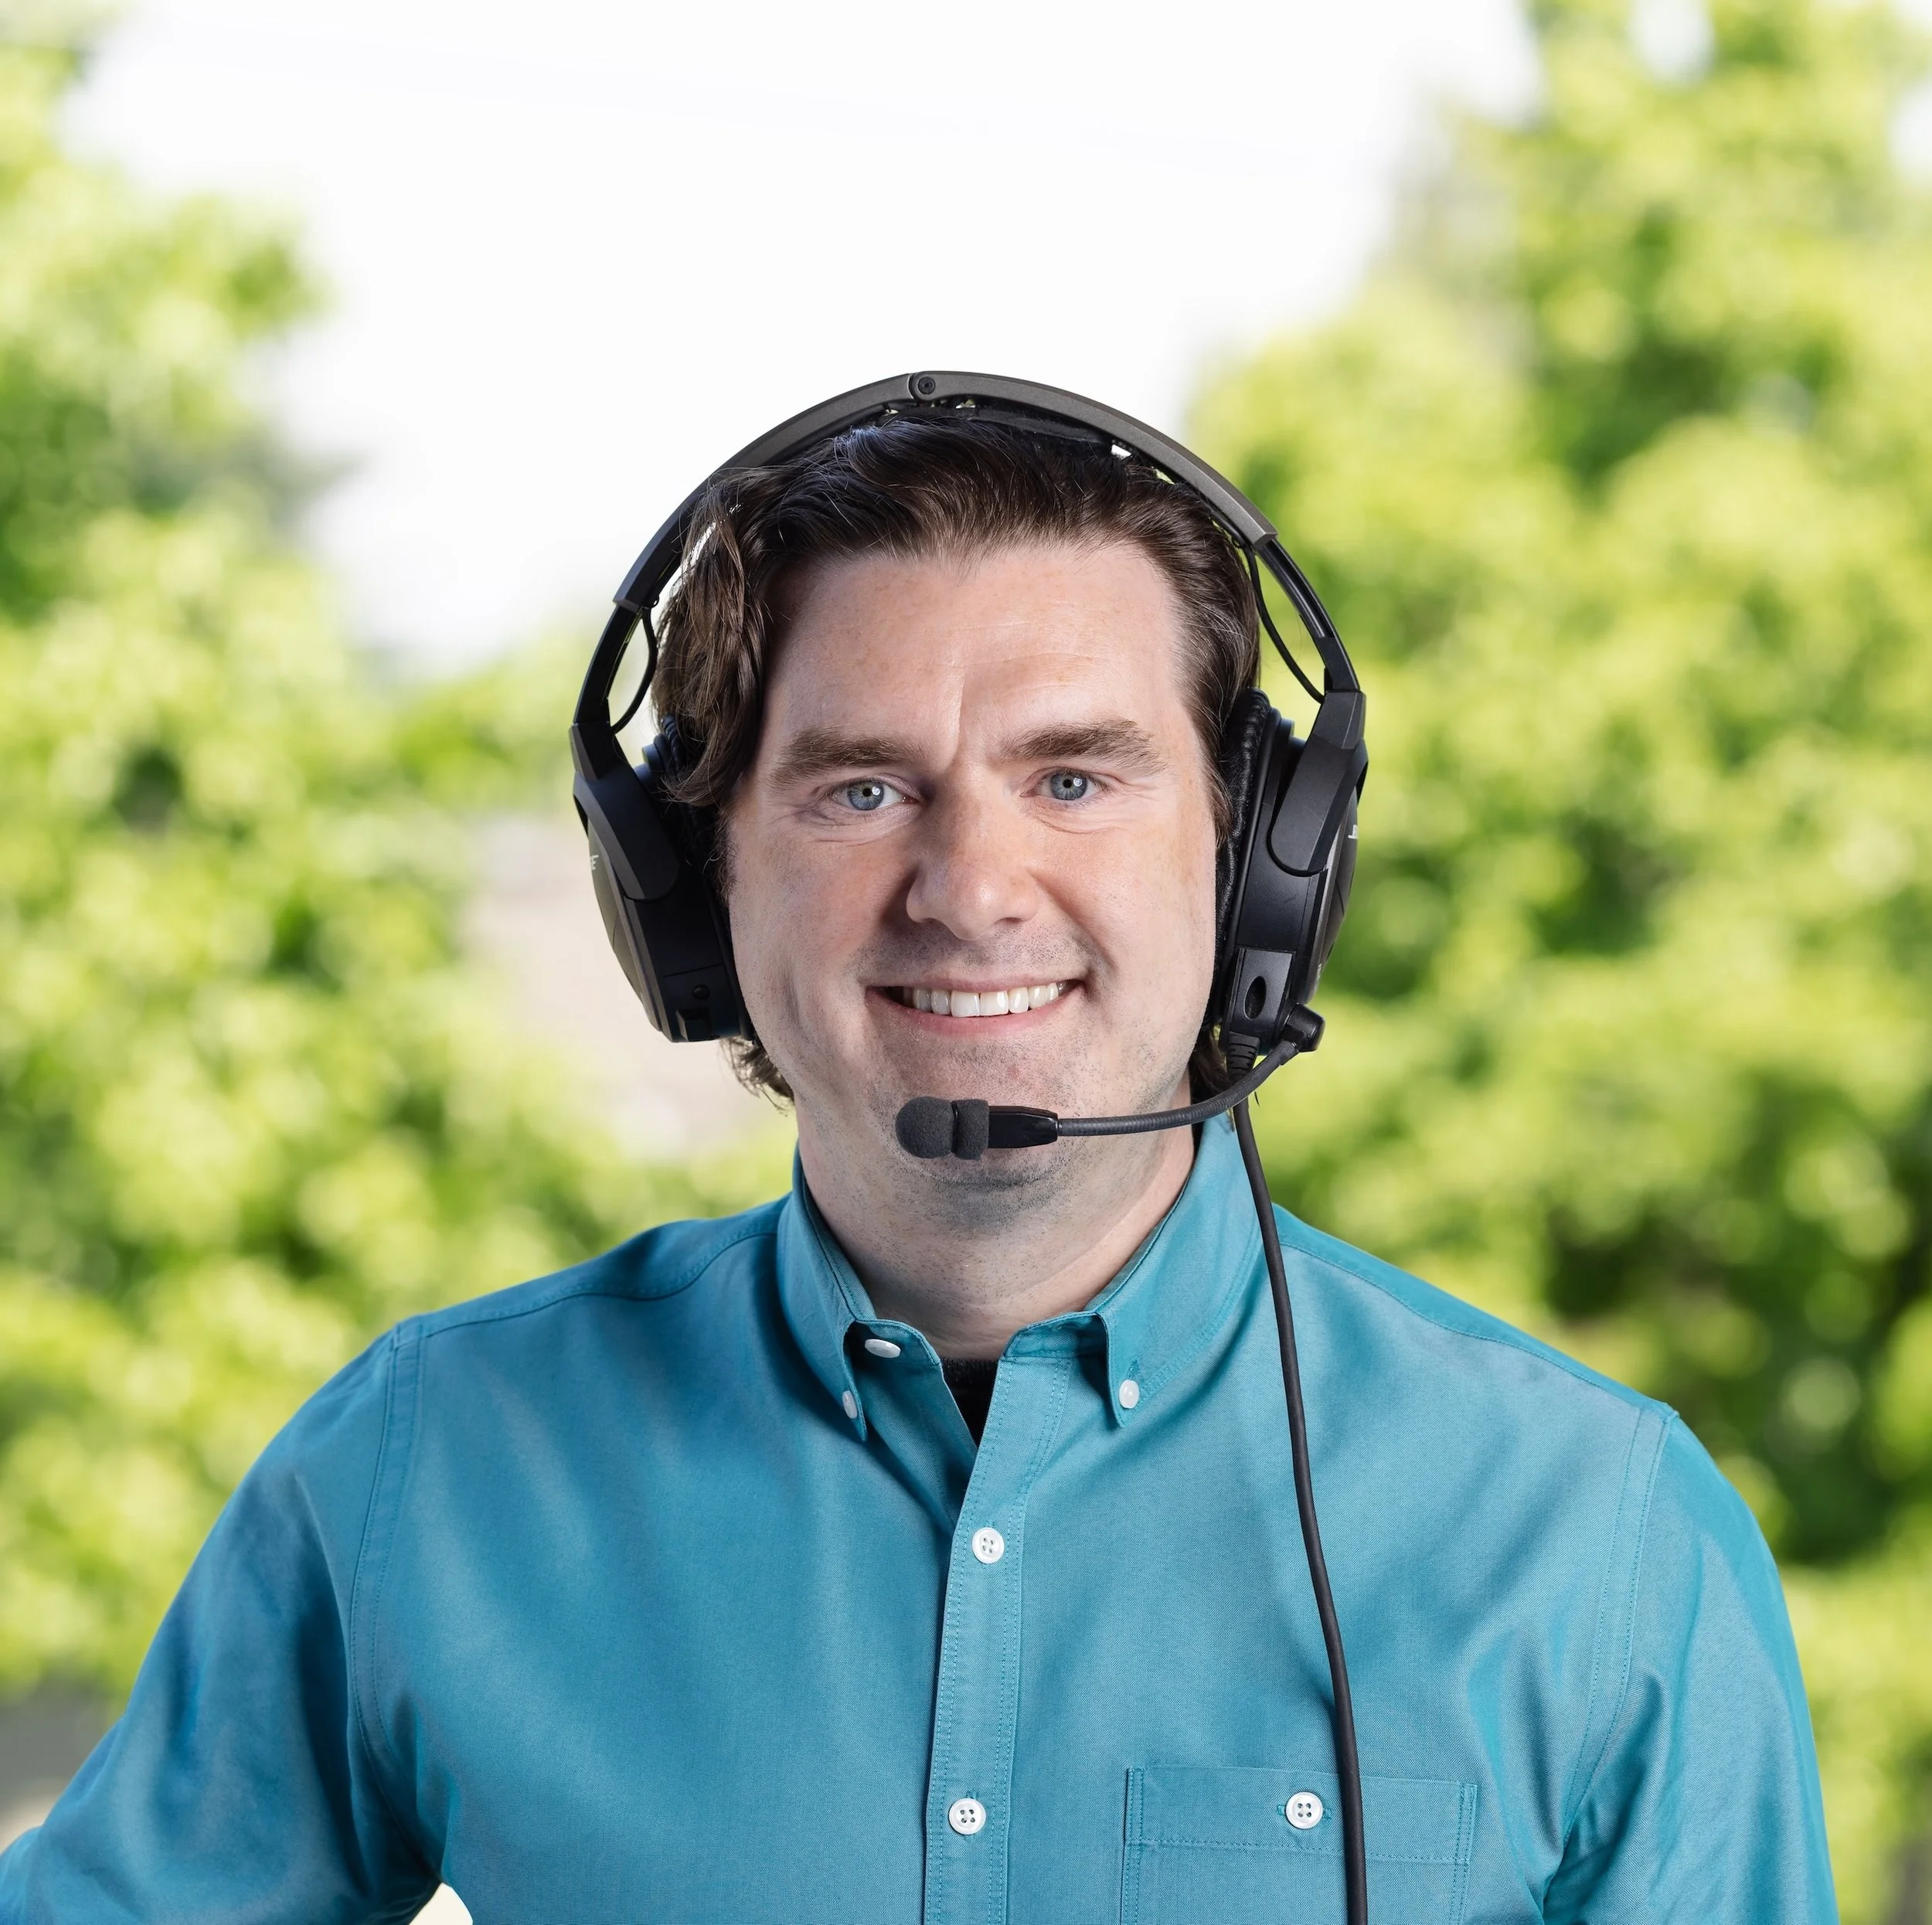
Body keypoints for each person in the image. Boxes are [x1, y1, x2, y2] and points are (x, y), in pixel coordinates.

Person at [0, 396, 1835, 1924]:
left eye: (1073, 778)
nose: (967, 888)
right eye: (860, 788)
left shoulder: (1595, 1534)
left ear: (1261, 862)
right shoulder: (427, 1464)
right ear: (693, 888)